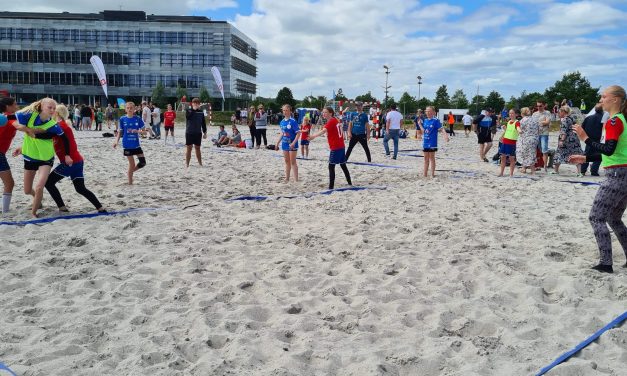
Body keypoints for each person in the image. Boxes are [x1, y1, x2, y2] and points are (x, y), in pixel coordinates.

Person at [569, 85, 627, 273]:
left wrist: (585, 139)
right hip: (622, 173)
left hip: (617, 176)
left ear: (616, 99)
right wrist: (586, 158)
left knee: (596, 217)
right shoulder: (620, 120)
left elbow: (609, 149)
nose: (601, 100)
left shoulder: (614, 122)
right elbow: (614, 153)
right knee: (614, 218)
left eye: (604, 96)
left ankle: (606, 263)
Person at [15, 98, 72, 217]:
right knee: (27, 190)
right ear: (41, 106)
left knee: (40, 186)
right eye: (49, 107)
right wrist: (28, 132)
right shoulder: (28, 115)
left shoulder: (53, 125)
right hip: (30, 156)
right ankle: (37, 199)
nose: (52, 110)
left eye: (53, 108)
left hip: (46, 158)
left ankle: (34, 212)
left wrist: (67, 155)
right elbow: (14, 122)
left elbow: (65, 139)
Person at [44, 105, 105, 213]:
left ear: (57, 113)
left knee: (48, 182)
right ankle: (100, 207)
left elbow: (45, 135)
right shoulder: (61, 125)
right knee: (80, 188)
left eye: (53, 112)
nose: (51, 113)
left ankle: (62, 207)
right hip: (77, 161)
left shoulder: (60, 126)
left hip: (70, 162)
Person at [309, 107, 352, 189]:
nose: (323, 114)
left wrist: (313, 136)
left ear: (330, 113)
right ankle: (349, 183)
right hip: (341, 146)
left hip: (336, 147)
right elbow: (340, 114)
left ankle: (331, 187)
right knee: (343, 165)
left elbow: (323, 131)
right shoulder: (335, 119)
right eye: (323, 112)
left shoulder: (331, 121)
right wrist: (344, 111)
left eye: (325, 112)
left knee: (331, 166)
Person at [113, 101, 147, 185]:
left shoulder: (138, 119)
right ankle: (130, 182)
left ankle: (129, 173)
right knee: (132, 164)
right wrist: (116, 141)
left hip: (136, 145)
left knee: (143, 163)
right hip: (127, 145)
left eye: (131, 108)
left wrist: (137, 131)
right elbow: (120, 132)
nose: (129, 109)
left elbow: (145, 132)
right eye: (128, 108)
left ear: (134, 109)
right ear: (125, 109)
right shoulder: (122, 119)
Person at [551, 106, 583, 176]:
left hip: (567, 140)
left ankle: (556, 170)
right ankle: (579, 173)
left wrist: (562, 140)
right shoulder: (572, 118)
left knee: (559, 153)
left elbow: (563, 131)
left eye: (559, 112)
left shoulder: (565, 120)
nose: (559, 114)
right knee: (576, 154)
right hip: (574, 138)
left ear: (563, 112)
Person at [0, 97, 19, 214]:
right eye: (15, 104)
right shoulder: (9, 118)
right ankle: (5, 212)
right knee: (9, 183)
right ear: (8, 106)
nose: (17, 106)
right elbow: (19, 126)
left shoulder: (5, 118)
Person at [420, 106, 449, 178]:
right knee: (425, 158)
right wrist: (420, 125)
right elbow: (424, 131)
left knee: (432, 158)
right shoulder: (425, 120)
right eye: (427, 111)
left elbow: (441, 129)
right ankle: (425, 174)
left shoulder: (436, 120)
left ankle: (432, 174)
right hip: (425, 142)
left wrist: (445, 135)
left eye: (429, 111)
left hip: (432, 142)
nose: (428, 112)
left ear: (433, 112)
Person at [275, 104, 299, 183]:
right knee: (286, 161)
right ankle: (287, 178)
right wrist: (277, 143)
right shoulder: (282, 122)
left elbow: (298, 134)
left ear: (290, 111)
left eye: (286, 110)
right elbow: (282, 133)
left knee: (293, 162)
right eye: (284, 110)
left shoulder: (293, 121)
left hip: (292, 144)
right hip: (284, 143)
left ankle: (296, 180)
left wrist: (293, 143)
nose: (285, 112)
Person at [581, 103, 604, 176]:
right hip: (599, 139)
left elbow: (582, 128)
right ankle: (594, 171)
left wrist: (585, 137)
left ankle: (582, 170)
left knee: (587, 154)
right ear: (602, 110)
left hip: (588, 139)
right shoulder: (604, 119)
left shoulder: (588, 118)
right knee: (598, 155)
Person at [516, 107, 540, 175]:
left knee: (527, 154)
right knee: (531, 153)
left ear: (522, 113)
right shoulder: (534, 119)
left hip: (526, 139)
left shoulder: (523, 120)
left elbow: (520, 131)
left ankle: (532, 171)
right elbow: (538, 129)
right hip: (534, 139)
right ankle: (524, 168)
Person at [184, 98, 207, 167]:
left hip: (198, 133)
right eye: (194, 103)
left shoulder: (201, 112)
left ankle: (200, 163)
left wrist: (205, 132)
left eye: (197, 103)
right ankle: (187, 164)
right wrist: (193, 109)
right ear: (192, 103)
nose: (196, 104)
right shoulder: (188, 110)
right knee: (189, 148)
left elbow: (203, 123)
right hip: (189, 132)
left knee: (197, 148)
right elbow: (188, 117)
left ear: (199, 104)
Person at [498, 109, 520, 177]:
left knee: (511, 159)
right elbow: (507, 131)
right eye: (510, 113)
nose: (511, 114)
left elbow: (518, 128)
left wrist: (520, 131)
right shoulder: (509, 121)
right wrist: (502, 135)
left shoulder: (517, 122)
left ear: (516, 114)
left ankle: (511, 174)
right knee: (502, 157)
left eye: (512, 113)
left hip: (511, 143)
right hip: (505, 141)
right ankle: (501, 173)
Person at [533, 100, 552, 172]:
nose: (538, 107)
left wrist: (542, 122)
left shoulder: (547, 113)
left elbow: (547, 122)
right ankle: (535, 165)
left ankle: (545, 166)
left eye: (540, 106)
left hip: (544, 133)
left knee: (544, 149)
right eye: (537, 106)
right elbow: (533, 123)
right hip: (536, 133)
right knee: (536, 149)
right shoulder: (534, 114)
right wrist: (543, 122)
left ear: (544, 105)